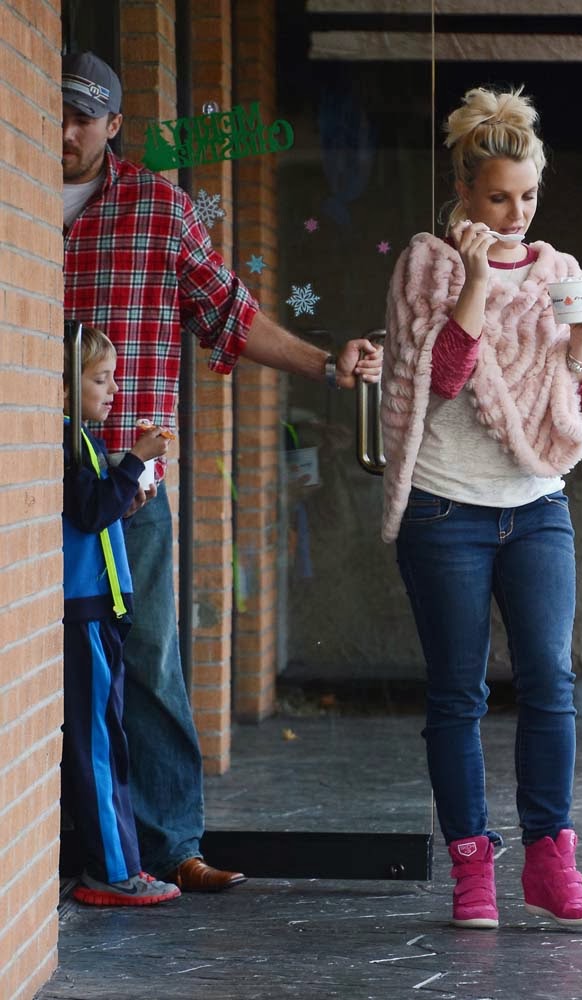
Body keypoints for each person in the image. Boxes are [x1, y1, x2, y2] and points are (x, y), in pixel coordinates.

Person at [61, 51, 382, 892]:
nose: (63, 132)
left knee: (148, 659)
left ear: (114, 124)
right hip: (28, 486)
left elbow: (231, 316)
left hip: (126, 486)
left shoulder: (157, 209)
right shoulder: (13, 196)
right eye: (54, 113)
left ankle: (170, 845)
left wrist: (325, 365)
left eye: (82, 118)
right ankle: (74, 844)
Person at [380, 85, 582, 929]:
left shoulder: (559, 273)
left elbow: (572, 405)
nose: (515, 214)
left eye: (526, 197)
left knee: (550, 681)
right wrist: (476, 280)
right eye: (496, 198)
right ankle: (471, 869)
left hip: (536, 505)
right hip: (445, 508)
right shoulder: (426, 264)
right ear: (463, 192)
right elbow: (441, 379)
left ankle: (551, 861)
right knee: (458, 694)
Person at [62, 325, 181, 906]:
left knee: (110, 740)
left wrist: (127, 493)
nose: (113, 391)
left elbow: (97, 512)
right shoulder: (66, 442)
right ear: (65, 385)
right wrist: (135, 460)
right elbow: (88, 512)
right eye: (100, 379)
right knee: (98, 746)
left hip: (102, 611)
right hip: (84, 615)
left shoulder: (83, 440)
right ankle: (111, 871)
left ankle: (123, 863)